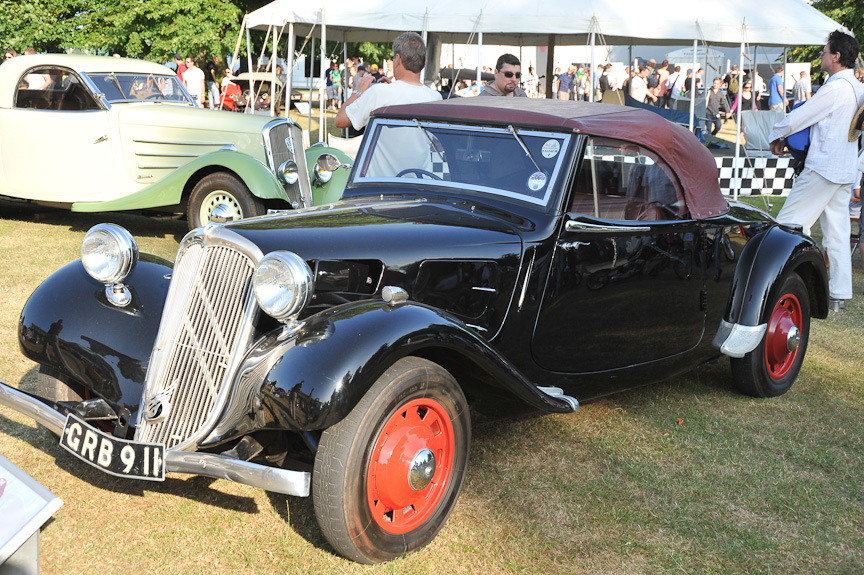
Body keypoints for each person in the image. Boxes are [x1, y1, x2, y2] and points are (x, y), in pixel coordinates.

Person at [768, 30, 864, 311]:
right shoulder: (858, 88)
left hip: (824, 168)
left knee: (787, 225)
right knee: (837, 234)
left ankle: (780, 283)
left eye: (825, 51)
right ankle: (839, 295)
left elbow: (802, 115)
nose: (821, 55)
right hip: (844, 169)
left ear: (836, 56)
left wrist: (777, 134)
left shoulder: (835, 88)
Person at [335, 32, 440, 132]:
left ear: (398, 59)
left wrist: (358, 91)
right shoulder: (436, 98)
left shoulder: (379, 92)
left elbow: (340, 120)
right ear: (424, 62)